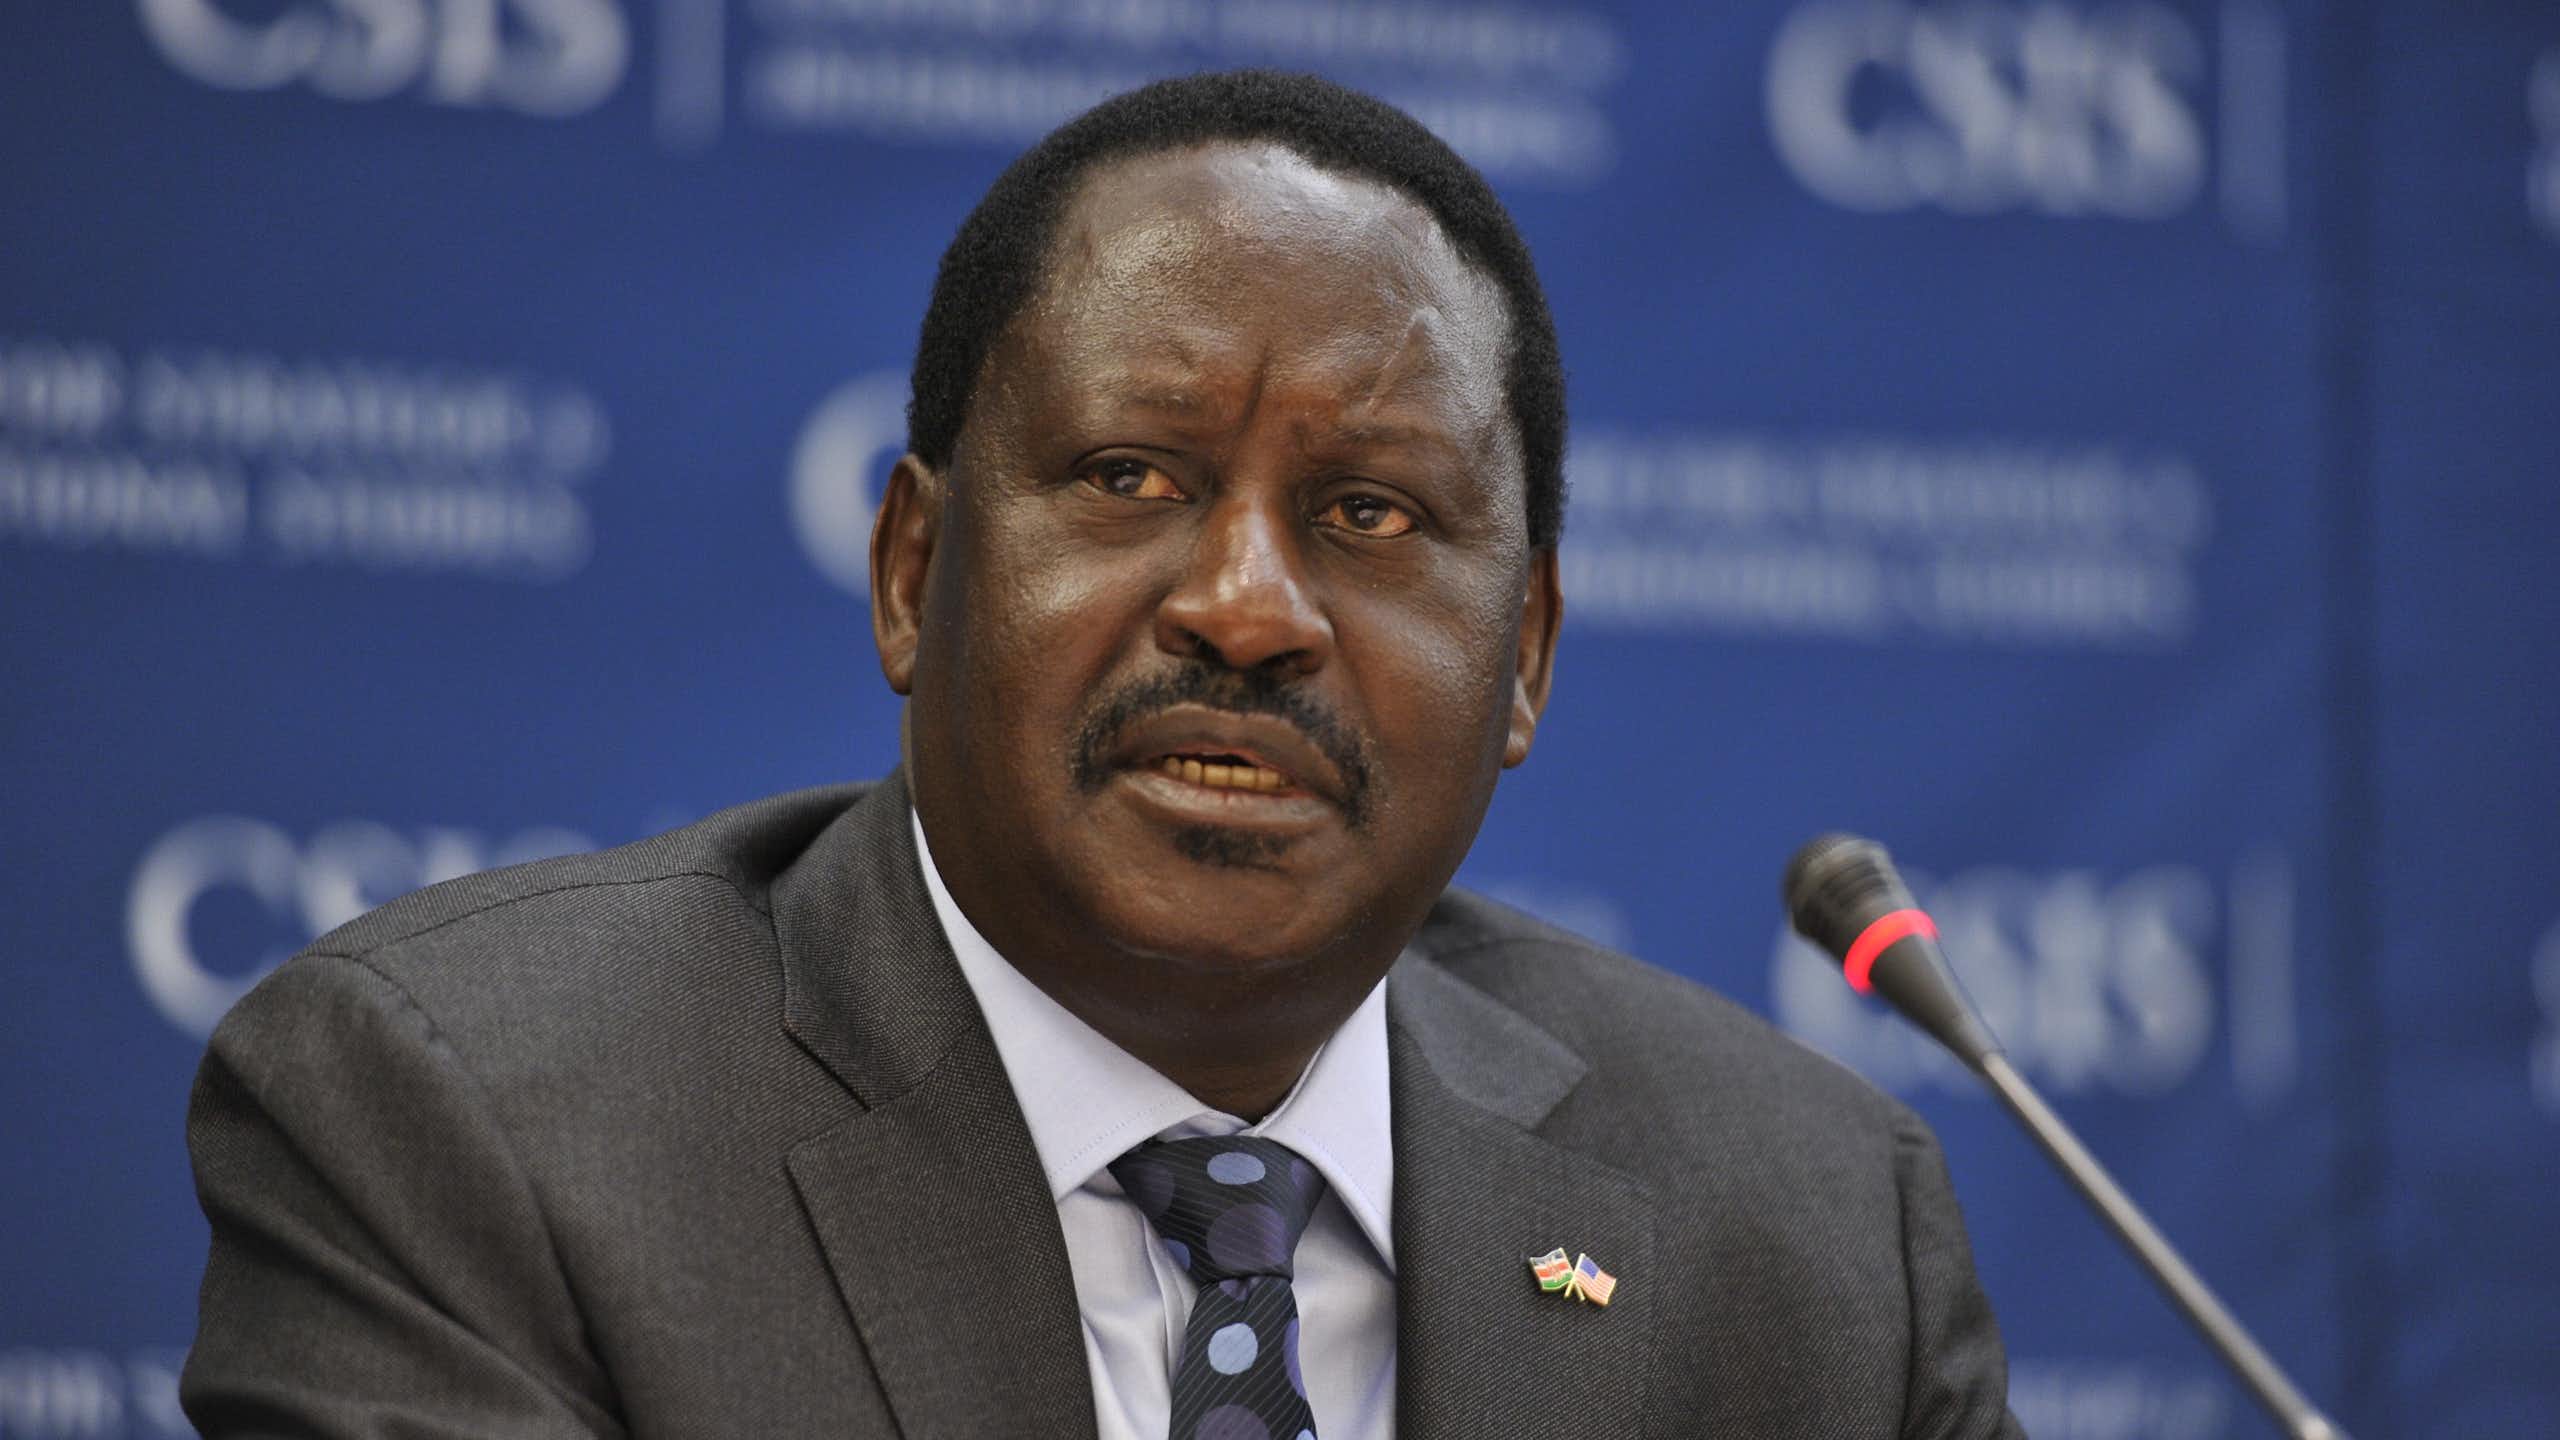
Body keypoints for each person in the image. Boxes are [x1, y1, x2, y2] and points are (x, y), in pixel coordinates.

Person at [183, 70, 2024, 1439]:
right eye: (1131, 477)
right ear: (915, 574)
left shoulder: (1808, 1235)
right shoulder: (479, 1128)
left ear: (1524, 659)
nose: (1246, 606)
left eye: (1370, 513)